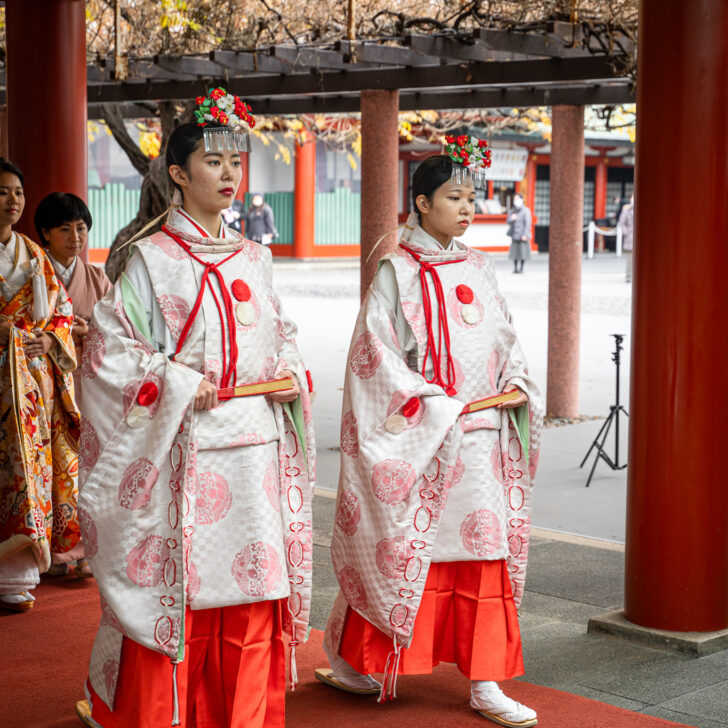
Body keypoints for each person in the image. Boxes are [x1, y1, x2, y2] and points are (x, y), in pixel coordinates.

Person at [74, 89, 315, 728]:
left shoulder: (256, 257)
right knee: (182, 588)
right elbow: (107, 353)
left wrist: (291, 373)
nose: (230, 173)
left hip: (254, 449)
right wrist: (173, 379)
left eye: (237, 162)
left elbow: (279, 333)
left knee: (255, 587)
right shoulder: (150, 259)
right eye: (213, 161)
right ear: (178, 174)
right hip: (183, 448)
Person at [316, 139, 543, 727]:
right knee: (398, 550)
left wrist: (517, 381)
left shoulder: (480, 265)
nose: (467, 208)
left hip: (480, 438)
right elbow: (376, 361)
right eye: (453, 197)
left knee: (482, 554)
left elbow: (505, 340)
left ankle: (486, 681)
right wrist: (433, 409)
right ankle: (355, 660)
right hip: (424, 438)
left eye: (472, 197)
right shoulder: (396, 270)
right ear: (421, 202)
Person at [0, 159, 81, 611]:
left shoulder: (33, 255)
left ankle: (16, 575)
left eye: (17, 192)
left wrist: (50, 337)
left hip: (31, 383)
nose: (12, 200)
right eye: (2, 192)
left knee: (31, 471)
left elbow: (63, 312)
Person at [506, 193, 532, 274]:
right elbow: (508, 221)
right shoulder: (512, 210)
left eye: (517, 199)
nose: (516, 200)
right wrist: (512, 218)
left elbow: (528, 223)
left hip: (522, 234)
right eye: (515, 199)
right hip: (514, 234)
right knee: (515, 252)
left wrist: (525, 234)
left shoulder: (526, 211)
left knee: (523, 252)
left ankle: (521, 267)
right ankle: (515, 268)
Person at [618, 195, 634, 283]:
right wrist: (626, 232)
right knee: (630, 259)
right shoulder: (626, 210)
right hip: (630, 237)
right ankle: (629, 275)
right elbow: (622, 222)